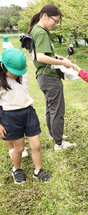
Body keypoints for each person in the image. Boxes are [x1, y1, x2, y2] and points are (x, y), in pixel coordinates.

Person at [28, 4, 76, 151]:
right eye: (55, 20)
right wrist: (63, 63)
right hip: (49, 76)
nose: (55, 24)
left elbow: (46, 54)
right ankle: (59, 143)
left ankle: (53, 135)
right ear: (45, 16)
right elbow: (41, 57)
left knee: (51, 108)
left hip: (43, 76)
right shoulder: (41, 32)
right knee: (57, 110)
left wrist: (58, 57)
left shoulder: (37, 30)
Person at [0, 47, 51, 184]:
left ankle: (38, 170)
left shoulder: (22, 75)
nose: (17, 75)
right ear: (3, 67)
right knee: (20, 148)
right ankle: (17, 169)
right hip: (10, 116)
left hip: (28, 112)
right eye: (14, 72)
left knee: (36, 145)